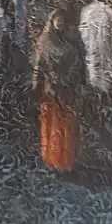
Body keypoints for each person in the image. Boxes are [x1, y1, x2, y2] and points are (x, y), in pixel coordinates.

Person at [33, 9, 86, 171]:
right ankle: (50, 159)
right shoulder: (44, 41)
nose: (60, 23)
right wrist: (37, 84)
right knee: (51, 124)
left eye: (62, 20)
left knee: (66, 126)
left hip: (67, 90)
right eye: (57, 20)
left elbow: (77, 64)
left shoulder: (71, 42)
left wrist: (67, 80)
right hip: (50, 91)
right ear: (52, 21)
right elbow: (39, 65)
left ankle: (65, 161)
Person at [79, 0, 112, 96]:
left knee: (106, 64)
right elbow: (83, 27)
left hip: (105, 42)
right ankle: (94, 90)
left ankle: (105, 90)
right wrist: (86, 40)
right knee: (93, 63)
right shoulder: (86, 10)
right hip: (92, 41)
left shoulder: (108, 10)